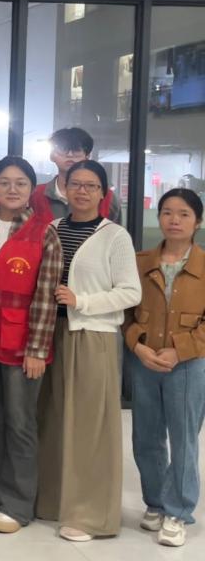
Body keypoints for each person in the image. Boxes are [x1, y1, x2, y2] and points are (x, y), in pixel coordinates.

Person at [35, 160, 141, 542]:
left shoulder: (115, 236)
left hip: (92, 336)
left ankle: (92, 515)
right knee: (51, 418)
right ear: (64, 189)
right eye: (75, 184)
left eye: (90, 185)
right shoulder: (51, 229)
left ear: (103, 193)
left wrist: (83, 301)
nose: (81, 191)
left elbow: (131, 292)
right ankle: (51, 501)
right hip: (50, 334)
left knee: (90, 426)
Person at [0, 156, 61, 534]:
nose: (12, 189)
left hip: (23, 346)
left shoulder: (44, 233)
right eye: (4, 182)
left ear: (31, 190)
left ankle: (17, 503)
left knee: (20, 424)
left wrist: (37, 349)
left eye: (20, 183)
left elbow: (46, 296)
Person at [126, 188, 205, 548]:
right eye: (168, 212)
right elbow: (125, 313)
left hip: (187, 365)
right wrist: (138, 346)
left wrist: (180, 350)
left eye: (184, 214)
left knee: (184, 438)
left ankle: (178, 511)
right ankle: (156, 502)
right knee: (146, 436)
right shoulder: (140, 261)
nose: (175, 220)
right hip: (145, 362)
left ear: (197, 222)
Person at [31, 127, 122, 223]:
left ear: (87, 156)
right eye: (63, 149)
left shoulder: (106, 197)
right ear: (52, 155)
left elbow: (117, 231)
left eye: (76, 150)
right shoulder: (35, 195)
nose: (70, 155)